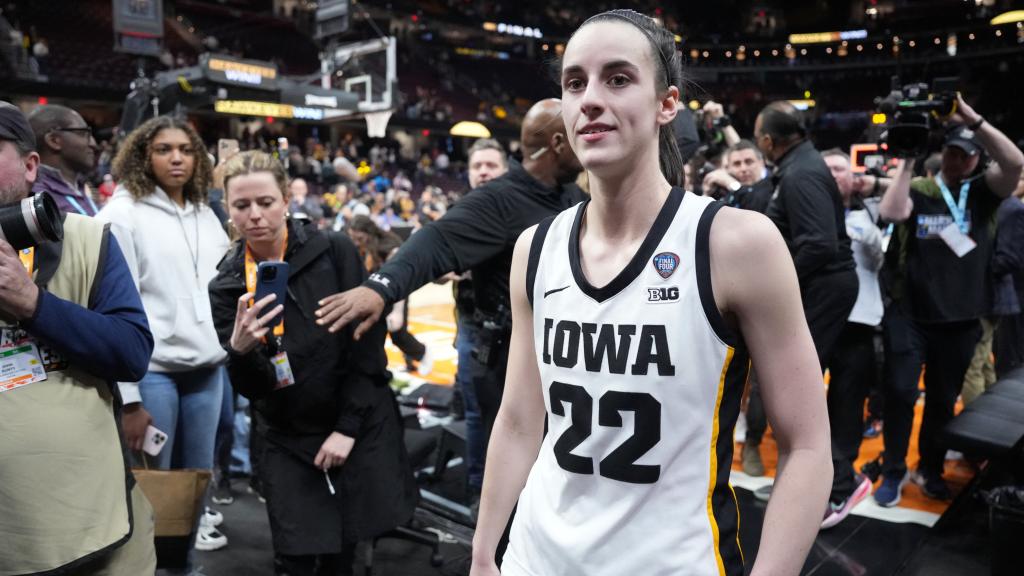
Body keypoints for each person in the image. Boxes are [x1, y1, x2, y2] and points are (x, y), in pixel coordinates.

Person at [470, 11, 831, 576]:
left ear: (667, 104)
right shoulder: (534, 249)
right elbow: (518, 421)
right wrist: (483, 552)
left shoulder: (736, 243)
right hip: (533, 559)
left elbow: (807, 447)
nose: (590, 99)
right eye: (574, 82)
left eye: (618, 78)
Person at [315, 98, 585, 447]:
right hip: (510, 366)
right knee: (502, 456)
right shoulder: (497, 200)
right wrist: (380, 288)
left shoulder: (573, 195)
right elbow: (435, 241)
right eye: (580, 132)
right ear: (558, 143)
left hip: (560, 358)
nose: (588, 140)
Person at [209, 151, 416, 576]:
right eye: (242, 205)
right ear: (228, 209)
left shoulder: (335, 250)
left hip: (349, 420)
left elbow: (367, 344)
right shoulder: (227, 284)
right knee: (295, 556)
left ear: (286, 200)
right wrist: (241, 351)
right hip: (284, 435)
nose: (254, 215)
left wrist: (347, 428)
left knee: (342, 555)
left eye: (265, 202)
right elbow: (255, 388)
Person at [0, 101, 156, 575]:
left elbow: (131, 353)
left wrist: (33, 303)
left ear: (31, 166)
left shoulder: (89, 238)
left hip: (94, 521)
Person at [875, 102, 1024, 505]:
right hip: (910, 314)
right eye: (953, 152)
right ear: (943, 154)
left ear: (977, 158)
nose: (959, 160)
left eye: (967, 154)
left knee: (942, 401)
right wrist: (908, 160)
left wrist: (973, 119)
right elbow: (891, 212)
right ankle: (893, 470)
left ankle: (930, 467)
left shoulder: (983, 193)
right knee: (900, 393)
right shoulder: (922, 190)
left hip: (961, 319)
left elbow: (1015, 162)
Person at [97, 115, 231, 558]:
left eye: (186, 150)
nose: (177, 158)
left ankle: (183, 565)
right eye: (164, 149)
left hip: (207, 371)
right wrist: (129, 400)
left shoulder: (205, 214)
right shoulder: (122, 215)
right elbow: (111, 311)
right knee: (152, 488)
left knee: (196, 482)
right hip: (152, 373)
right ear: (142, 156)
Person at [754, 100, 862, 516]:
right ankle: (812, 483)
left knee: (795, 392)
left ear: (768, 141)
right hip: (824, 287)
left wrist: (776, 285)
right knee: (802, 392)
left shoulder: (801, 173)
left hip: (823, 288)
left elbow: (818, 244)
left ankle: (834, 485)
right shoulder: (801, 165)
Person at [820, 148, 885, 527]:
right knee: (801, 402)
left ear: (853, 176)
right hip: (815, 318)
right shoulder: (807, 211)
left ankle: (841, 483)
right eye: (826, 169)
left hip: (859, 320)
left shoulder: (868, 214)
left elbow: (879, 262)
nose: (833, 175)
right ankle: (828, 476)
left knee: (846, 404)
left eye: (839, 169)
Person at [346, 214, 434, 375]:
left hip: (397, 293)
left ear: (369, 232)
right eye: (352, 238)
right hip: (379, 293)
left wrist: (398, 311)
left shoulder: (389, 247)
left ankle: (423, 353)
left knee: (398, 332)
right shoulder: (364, 246)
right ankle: (409, 364)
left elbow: (401, 279)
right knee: (376, 330)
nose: (356, 242)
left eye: (359, 238)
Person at [28, 104, 100, 216]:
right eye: (83, 133)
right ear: (54, 140)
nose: (93, 144)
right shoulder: (38, 200)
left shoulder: (80, 187)